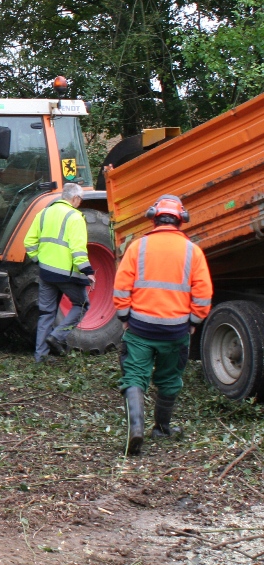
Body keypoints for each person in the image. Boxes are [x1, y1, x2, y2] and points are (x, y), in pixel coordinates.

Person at [113, 194, 212, 456]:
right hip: (176, 330)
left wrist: (124, 318)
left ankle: (136, 428)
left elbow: (122, 286)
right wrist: (193, 322)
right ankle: (162, 428)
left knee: (134, 375)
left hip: (140, 328)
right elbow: (203, 294)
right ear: (181, 220)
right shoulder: (193, 251)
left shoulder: (137, 247)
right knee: (169, 379)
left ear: (154, 218)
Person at [23, 182, 95, 363]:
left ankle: (40, 357)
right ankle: (57, 336)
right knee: (82, 305)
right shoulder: (75, 217)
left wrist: (38, 259)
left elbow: (29, 241)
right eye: (81, 199)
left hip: (46, 272)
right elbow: (78, 250)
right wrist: (88, 271)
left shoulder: (44, 213)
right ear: (76, 198)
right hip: (66, 274)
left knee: (46, 313)